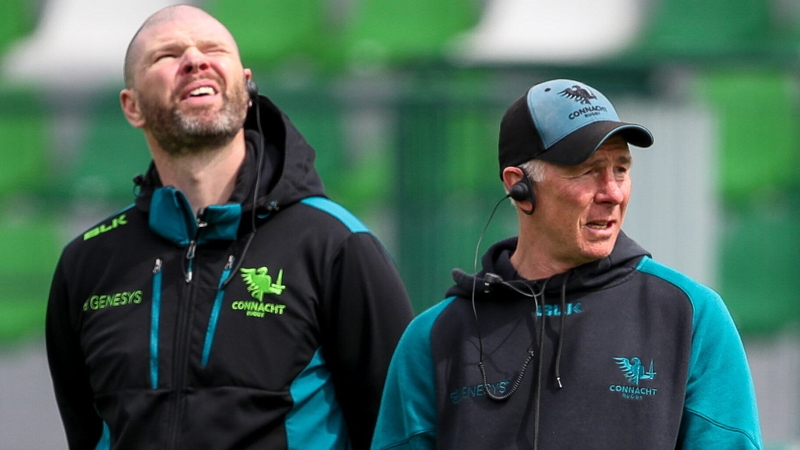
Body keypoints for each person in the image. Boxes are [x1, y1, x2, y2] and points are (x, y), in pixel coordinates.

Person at [45, 5, 414, 449]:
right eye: (167, 55)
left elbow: (399, 431)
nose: (195, 60)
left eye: (214, 50)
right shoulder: (87, 262)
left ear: (245, 84)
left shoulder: (336, 244)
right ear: (132, 106)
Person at [371, 79, 762, 449]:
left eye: (621, 169)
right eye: (588, 171)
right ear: (518, 187)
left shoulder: (689, 316)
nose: (612, 193)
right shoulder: (436, 337)